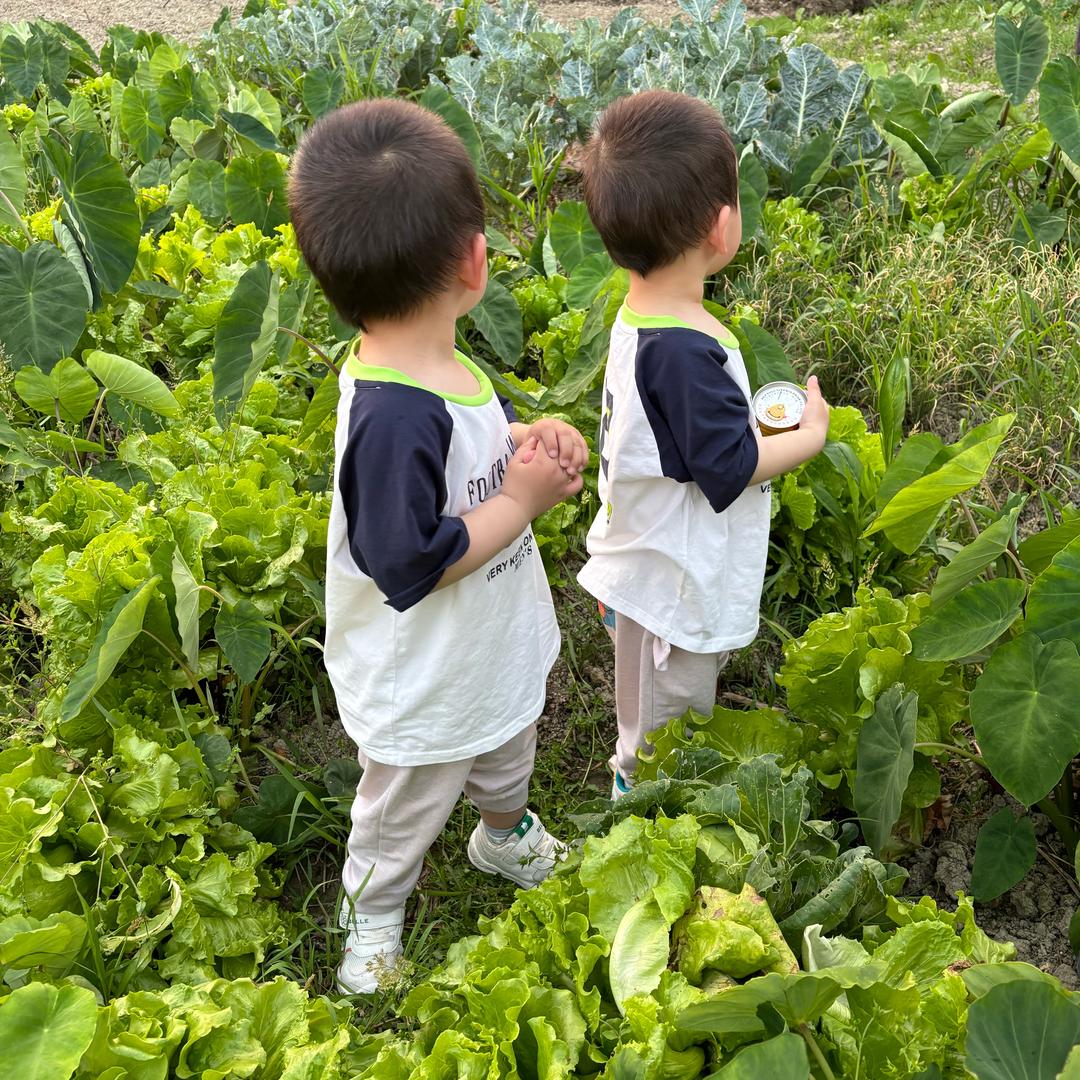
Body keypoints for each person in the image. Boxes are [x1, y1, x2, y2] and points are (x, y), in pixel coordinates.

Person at [289, 98, 588, 994]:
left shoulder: (441, 361)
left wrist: (527, 438)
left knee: (506, 749)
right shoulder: (390, 416)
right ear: (475, 259)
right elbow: (408, 563)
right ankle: (373, 916)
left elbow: (476, 442)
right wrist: (522, 502)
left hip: (484, 643)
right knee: (403, 806)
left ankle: (502, 836)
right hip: (420, 671)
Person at [576, 90, 831, 799]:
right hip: (670, 585)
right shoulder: (684, 352)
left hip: (650, 548)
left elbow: (686, 437)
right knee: (665, 731)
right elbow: (727, 467)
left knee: (666, 693)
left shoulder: (649, 314)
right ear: (722, 228)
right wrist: (808, 437)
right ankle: (641, 804)